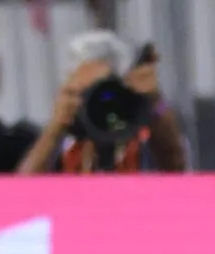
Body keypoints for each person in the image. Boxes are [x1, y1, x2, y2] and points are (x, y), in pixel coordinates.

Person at [17, 30, 187, 174]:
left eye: (104, 91)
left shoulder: (142, 137)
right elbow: (19, 196)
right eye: (84, 92)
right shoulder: (59, 145)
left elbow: (177, 169)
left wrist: (156, 104)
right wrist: (54, 129)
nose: (97, 103)